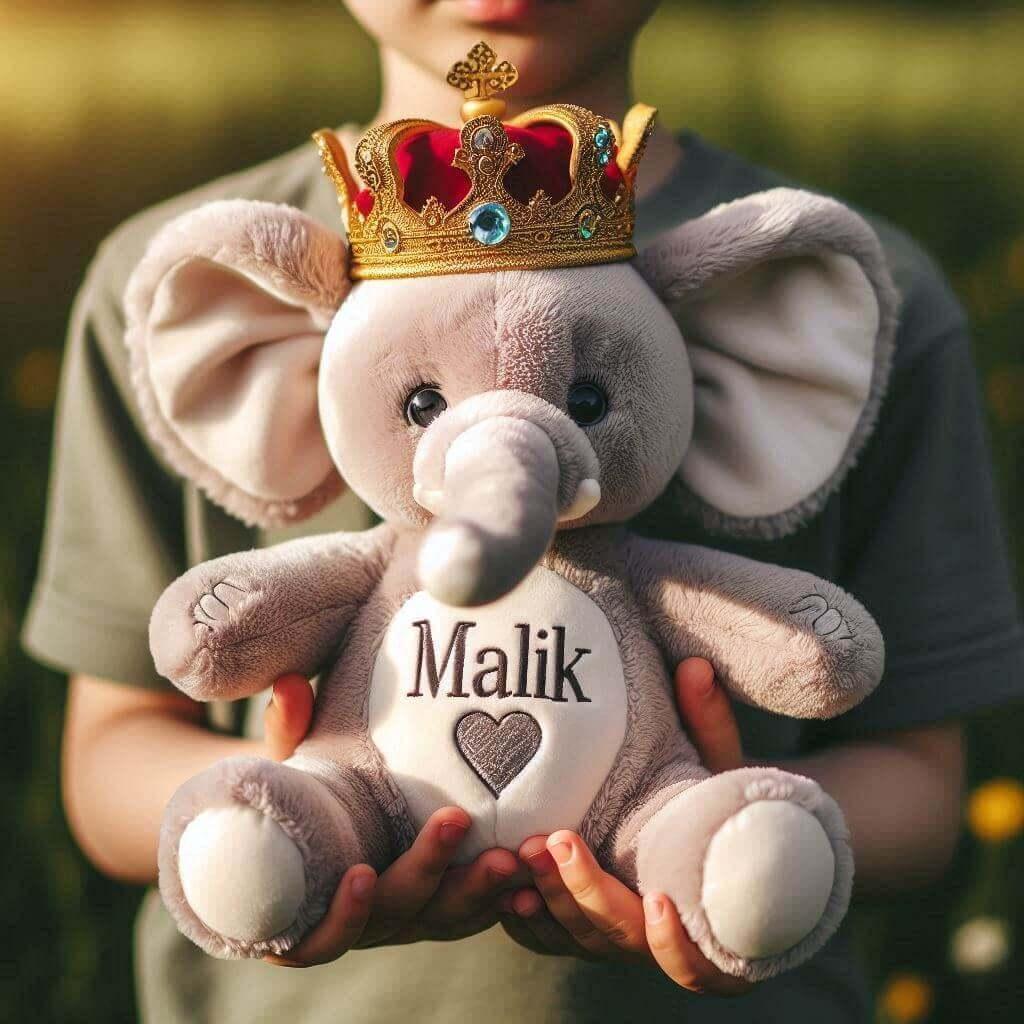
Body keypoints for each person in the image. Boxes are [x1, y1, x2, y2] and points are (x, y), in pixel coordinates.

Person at [23, 1, 1023, 1021]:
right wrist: (314, 823)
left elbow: (921, 788)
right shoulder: (169, 288)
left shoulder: (846, 292)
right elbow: (110, 758)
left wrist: (727, 854)